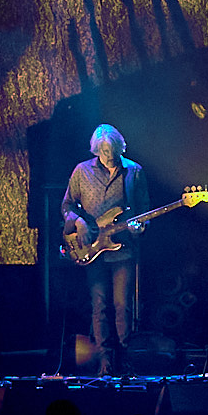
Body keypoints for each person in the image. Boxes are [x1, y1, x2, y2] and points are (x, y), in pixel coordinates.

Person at [62, 123, 146, 375]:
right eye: (104, 151)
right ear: (96, 150)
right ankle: (106, 363)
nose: (109, 157)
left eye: (113, 151)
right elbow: (67, 205)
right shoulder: (81, 171)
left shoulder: (134, 171)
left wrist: (140, 227)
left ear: (120, 148)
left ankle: (125, 360)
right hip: (92, 249)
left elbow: (143, 210)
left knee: (123, 305)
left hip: (123, 249)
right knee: (99, 305)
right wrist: (77, 222)